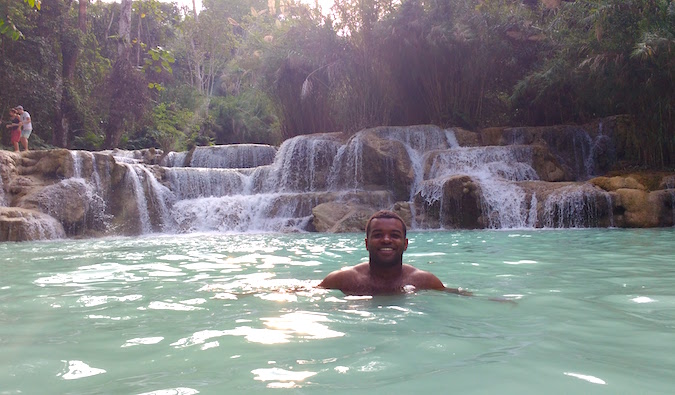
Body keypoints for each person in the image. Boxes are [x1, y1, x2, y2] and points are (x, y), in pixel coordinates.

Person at [318, 210, 472, 296]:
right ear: (366, 244)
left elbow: (455, 295)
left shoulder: (424, 281)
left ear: (405, 244)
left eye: (394, 235)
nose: (386, 240)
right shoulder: (344, 279)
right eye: (378, 235)